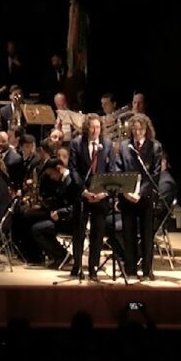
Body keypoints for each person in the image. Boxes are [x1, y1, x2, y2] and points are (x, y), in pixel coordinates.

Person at [117, 114, 163, 280]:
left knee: (146, 235)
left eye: (140, 129)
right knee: (128, 233)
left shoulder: (155, 147)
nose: (137, 132)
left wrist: (140, 193)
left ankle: (147, 270)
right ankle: (130, 269)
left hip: (145, 197)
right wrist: (127, 192)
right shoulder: (124, 146)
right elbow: (118, 169)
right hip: (127, 197)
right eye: (134, 129)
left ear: (146, 130)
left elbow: (155, 174)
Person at [67, 115, 113, 280]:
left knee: (97, 233)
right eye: (92, 127)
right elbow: (73, 169)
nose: (95, 131)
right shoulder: (76, 144)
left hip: (100, 195)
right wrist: (84, 191)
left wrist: (104, 192)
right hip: (83, 194)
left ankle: (93, 267)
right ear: (87, 128)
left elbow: (111, 170)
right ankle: (77, 265)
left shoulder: (106, 145)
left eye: (98, 127)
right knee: (78, 231)